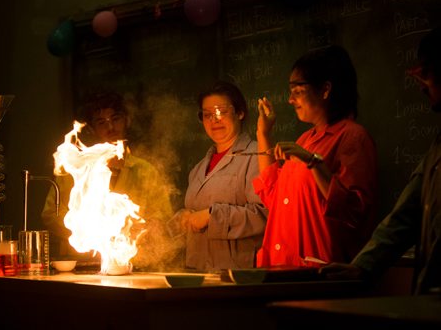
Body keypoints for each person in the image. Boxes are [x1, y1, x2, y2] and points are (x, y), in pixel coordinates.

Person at [320, 27, 441, 295]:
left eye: (427, 74)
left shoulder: (353, 137)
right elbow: (406, 214)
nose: (421, 86)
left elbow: (355, 207)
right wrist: (363, 266)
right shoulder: (437, 148)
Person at [254, 45, 378, 268]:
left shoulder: (352, 137)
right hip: (281, 268)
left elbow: (354, 212)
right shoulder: (305, 140)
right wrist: (263, 134)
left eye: (298, 91)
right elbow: (274, 197)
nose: (290, 100)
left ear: (325, 89)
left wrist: (313, 162)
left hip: (316, 274)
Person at [41, 91, 179, 271]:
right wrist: (90, 230)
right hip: (82, 265)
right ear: (91, 128)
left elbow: (162, 217)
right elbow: (50, 214)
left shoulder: (146, 171)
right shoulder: (76, 169)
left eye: (115, 119)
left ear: (126, 120)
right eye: (102, 122)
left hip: (132, 264)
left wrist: (139, 227)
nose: (111, 127)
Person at [171, 80, 268, 272]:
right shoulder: (198, 169)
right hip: (197, 273)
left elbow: (265, 216)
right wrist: (182, 219)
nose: (214, 120)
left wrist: (211, 217)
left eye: (220, 112)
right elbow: (194, 219)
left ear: (240, 112)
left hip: (238, 275)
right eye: (207, 115)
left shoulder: (257, 156)